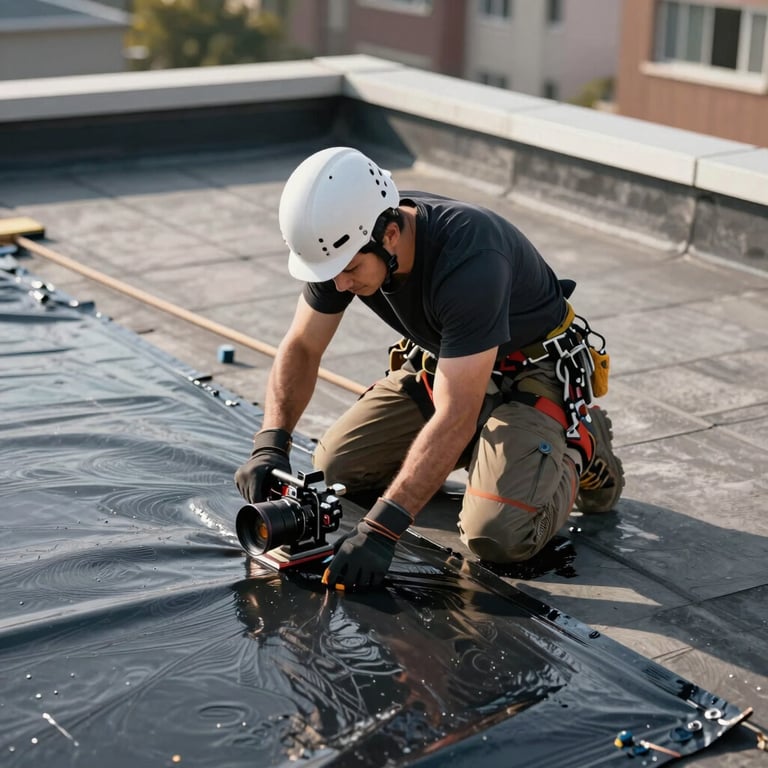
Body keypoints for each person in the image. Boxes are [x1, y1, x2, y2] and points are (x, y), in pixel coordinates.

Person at [235, 146, 624, 590]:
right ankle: (496, 444)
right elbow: (303, 347)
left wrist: (381, 531)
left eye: (350, 270)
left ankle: (582, 443)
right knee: (337, 468)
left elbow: (455, 415)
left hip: (529, 374)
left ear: (391, 233)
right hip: (450, 365)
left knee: (496, 535)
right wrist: (270, 441)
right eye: (331, 273)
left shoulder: (471, 257)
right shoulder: (347, 238)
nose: (339, 285)